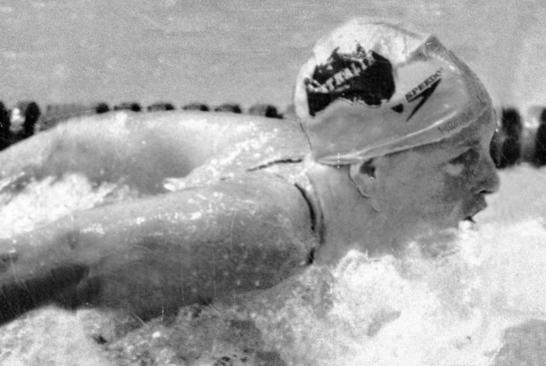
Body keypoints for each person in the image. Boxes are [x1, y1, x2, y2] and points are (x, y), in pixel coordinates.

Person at [0, 18, 498, 324]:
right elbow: (74, 254)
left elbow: (113, 136)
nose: (491, 178)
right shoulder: (264, 235)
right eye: (459, 160)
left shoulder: (301, 150)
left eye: (486, 147)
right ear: (369, 173)